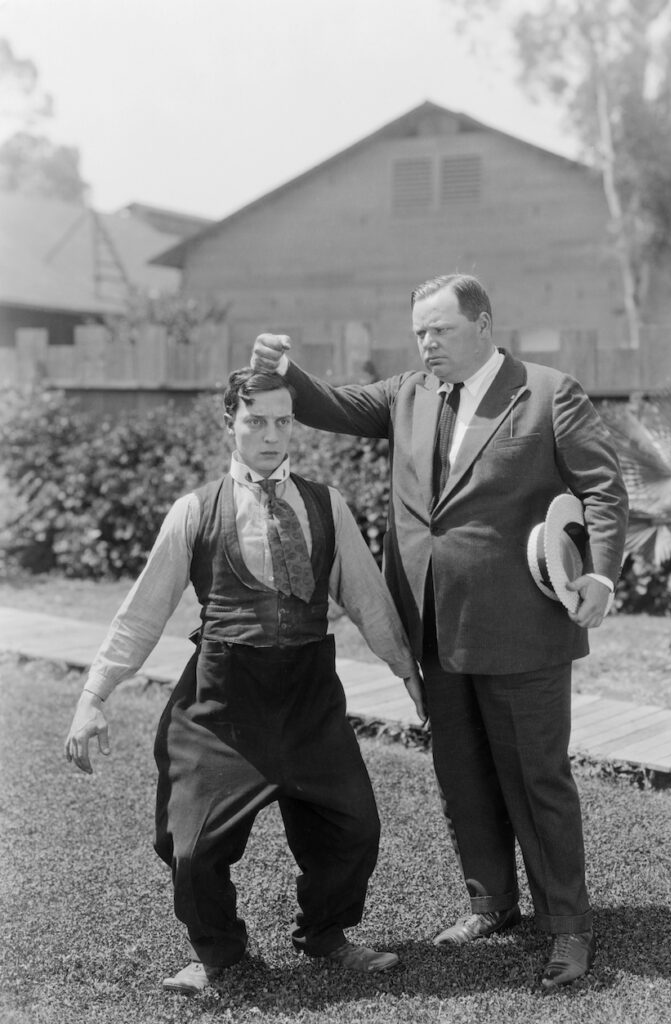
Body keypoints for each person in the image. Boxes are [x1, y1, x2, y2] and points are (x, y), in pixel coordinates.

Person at [251, 274, 629, 991]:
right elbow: (325, 405)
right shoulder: (407, 394)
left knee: (536, 778)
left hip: (523, 629)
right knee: (460, 775)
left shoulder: (549, 393)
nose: (426, 344)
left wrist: (601, 577)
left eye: (441, 331)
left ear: (483, 325)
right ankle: (490, 904)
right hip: (429, 625)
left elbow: (603, 490)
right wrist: (280, 371)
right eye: (419, 332)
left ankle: (567, 928)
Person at [64, 368, 425, 995]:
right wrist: (93, 697)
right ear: (229, 422)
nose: (270, 434)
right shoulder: (195, 510)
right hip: (224, 701)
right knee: (192, 849)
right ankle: (220, 956)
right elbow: (143, 611)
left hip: (309, 695)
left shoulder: (326, 503)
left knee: (353, 829)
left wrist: (408, 675)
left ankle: (327, 936)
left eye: (283, 420)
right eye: (255, 420)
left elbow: (369, 599)